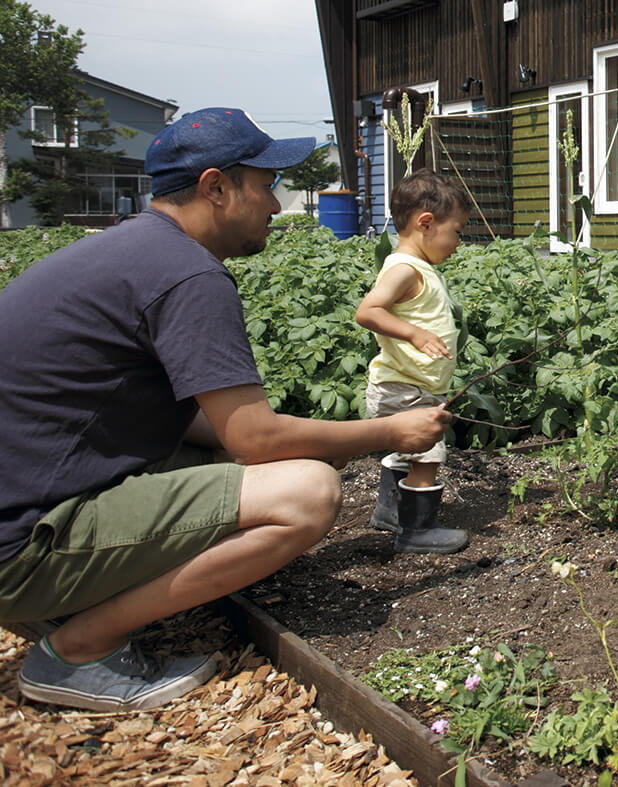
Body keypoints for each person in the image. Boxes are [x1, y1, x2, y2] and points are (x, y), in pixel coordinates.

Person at [0, 107, 451, 712]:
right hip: (20, 548)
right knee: (307, 493)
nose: (275, 204)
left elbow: (192, 423)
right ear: (217, 187)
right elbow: (254, 439)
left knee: (241, 454)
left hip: (26, 500)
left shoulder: (131, 250)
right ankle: (79, 647)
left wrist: (307, 437)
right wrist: (388, 430)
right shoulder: (188, 274)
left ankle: (80, 601)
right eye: (266, 185)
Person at [356, 169, 471, 555]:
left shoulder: (415, 267)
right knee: (426, 453)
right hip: (406, 388)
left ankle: (390, 513)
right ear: (426, 223)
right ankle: (416, 530)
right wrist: (415, 334)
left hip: (406, 384)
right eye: (456, 231)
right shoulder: (405, 269)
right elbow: (368, 311)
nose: (458, 241)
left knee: (401, 451)